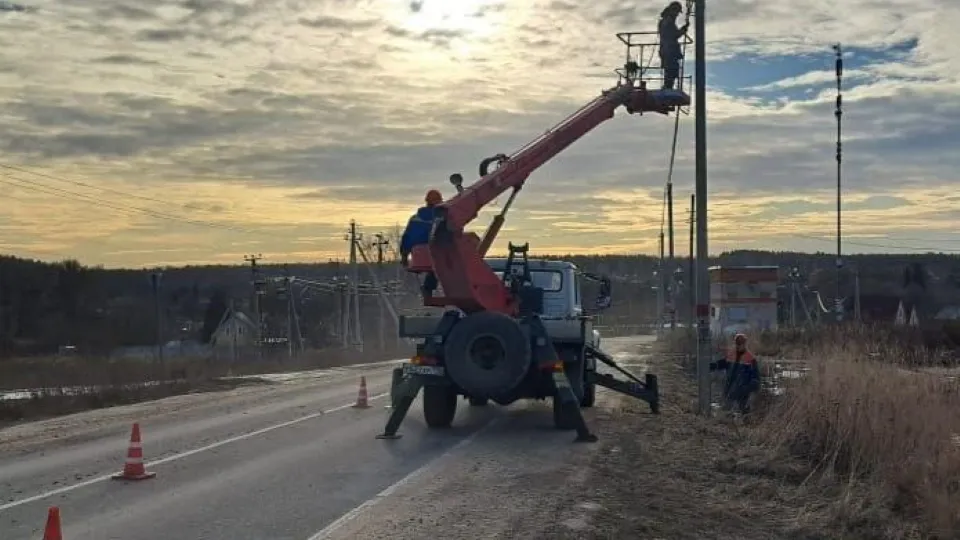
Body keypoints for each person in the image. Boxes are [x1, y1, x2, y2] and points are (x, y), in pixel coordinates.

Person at [400, 189, 443, 297]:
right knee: (442, 265)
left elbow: (406, 238)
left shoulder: (415, 218)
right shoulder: (440, 219)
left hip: (417, 254)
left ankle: (427, 290)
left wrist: (404, 256)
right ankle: (429, 288)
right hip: (434, 253)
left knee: (434, 267)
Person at [709, 333, 762, 413]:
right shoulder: (731, 355)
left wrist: (747, 389)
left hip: (743, 393)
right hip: (729, 389)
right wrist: (712, 366)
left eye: (740, 344)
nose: (738, 346)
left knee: (743, 412)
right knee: (726, 412)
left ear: (744, 344)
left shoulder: (750, 359)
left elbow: (756, 380)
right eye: (737, 343)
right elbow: (722, 364)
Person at [658, 1, 688, 91]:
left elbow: (672, 34)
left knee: (672, 70)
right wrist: (682, 30)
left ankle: (668, 86)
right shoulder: (668, 21)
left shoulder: (666, 20)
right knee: (671, 70)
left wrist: (682, 30)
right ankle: (667, 87)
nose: (677, 15)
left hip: (667, 49)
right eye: (677, 12)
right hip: (669, 50)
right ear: (673, 10)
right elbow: (673, 35)